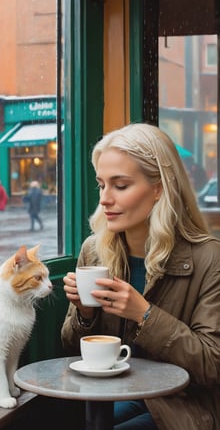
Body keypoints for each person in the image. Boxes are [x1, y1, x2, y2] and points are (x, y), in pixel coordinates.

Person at [61, 123, 220, 429]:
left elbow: (212, 365)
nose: (105, 198)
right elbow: (71, 350)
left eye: (120, 186)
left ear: (159, 188)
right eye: (101, 185)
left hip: (184, 404)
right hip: (112, 395)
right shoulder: (94, 251)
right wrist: (85, 313)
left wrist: (144, 314)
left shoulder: (209, 259)